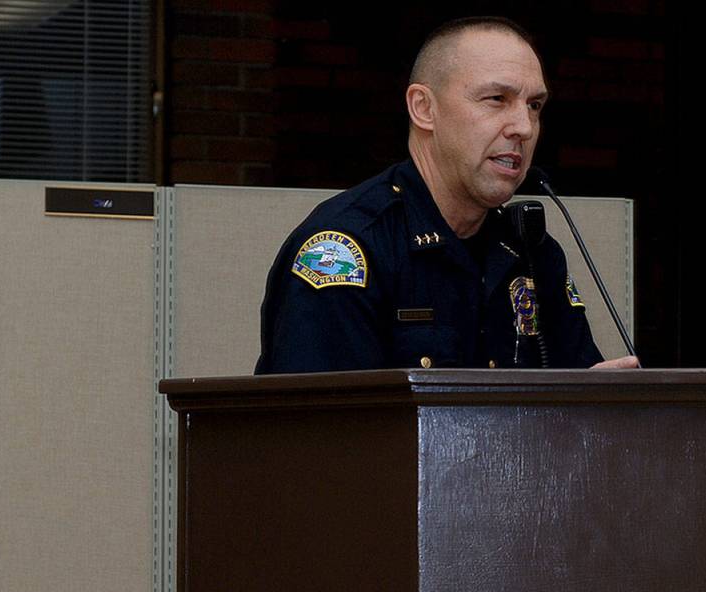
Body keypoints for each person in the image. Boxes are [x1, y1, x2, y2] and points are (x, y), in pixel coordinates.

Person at [255, 16, 638, 374]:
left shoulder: (532, 254)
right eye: (496, 100)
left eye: (534, 105)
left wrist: (598, 407)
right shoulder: (345, 250)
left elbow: (581, 393)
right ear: (424, 108)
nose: (524, 126)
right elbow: (321, 432)